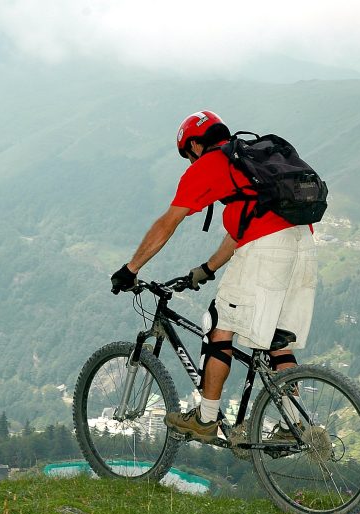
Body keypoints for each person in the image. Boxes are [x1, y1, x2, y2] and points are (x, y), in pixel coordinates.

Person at [111, 110, 317, 444]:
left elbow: (168, 223)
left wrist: (130, 269)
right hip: (303, 245)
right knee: (279, 341)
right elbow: (242, 230)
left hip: (266, 250)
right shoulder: (248, 164)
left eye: (186, 155)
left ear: (194, 143)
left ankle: (206, 419)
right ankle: (298, 428)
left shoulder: (210, 164)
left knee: (218, 323)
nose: (188, 162)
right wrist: (207, 269)